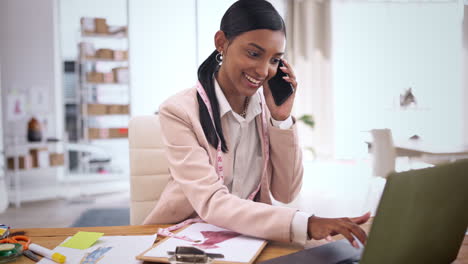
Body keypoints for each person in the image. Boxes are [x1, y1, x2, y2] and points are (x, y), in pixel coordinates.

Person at [143, 0, 370, 247]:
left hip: (246, 239)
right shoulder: (179, 112)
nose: (263, 71)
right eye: (254, 54)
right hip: (182, 238)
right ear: (221, 42)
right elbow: (211, 203)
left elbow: (286, 192)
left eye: (274, 60)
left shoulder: (265, 110)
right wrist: (307, 223)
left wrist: (281, 119)